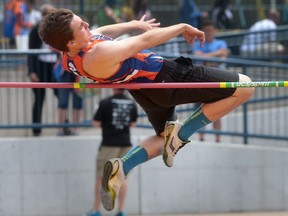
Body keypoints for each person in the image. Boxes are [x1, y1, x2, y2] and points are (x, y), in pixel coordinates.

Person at [38, 8, 254, 211]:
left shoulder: (69, 56)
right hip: (166, 77)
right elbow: (144, 41)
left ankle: (122, 166)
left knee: (163, 137)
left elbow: (101, 31)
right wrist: (181, 27)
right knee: (245, 86)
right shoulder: (99, 54)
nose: (87, 24)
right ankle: (182, 135)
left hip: (145, 91)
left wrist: (132, 24)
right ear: (72, 40)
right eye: (82, 26)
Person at [86, 88, 137, 216]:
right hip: (126, 144)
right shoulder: (131, 103)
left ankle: (96, 211)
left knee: (101, 178)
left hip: (109, 145)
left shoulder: (105, 103)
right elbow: (133, 124)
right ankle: (121, 211)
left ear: (113, 87)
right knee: (122, 179)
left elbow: (96, 123)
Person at [193, 19, 230, 142]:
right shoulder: (198, 43)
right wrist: (215, 56)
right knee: (199, 111)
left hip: (216, 81)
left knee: (217, 111)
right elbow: (198, 56)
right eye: (206, 31)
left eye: (210, 30)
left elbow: (224, 53)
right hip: (201, 81)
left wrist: (206, 59)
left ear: (214, 31)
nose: (209, 33)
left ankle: (218, 138)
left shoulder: (221, 43)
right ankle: (201, 137)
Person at [28, 4, 58, 136]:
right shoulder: (35, 29)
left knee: (60, 94)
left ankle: (65, 124)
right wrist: (32, 72)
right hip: (40, 66)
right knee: (39, 98)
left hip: (53, 67)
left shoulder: (57, 29)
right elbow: (30, 51)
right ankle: (36, 128)